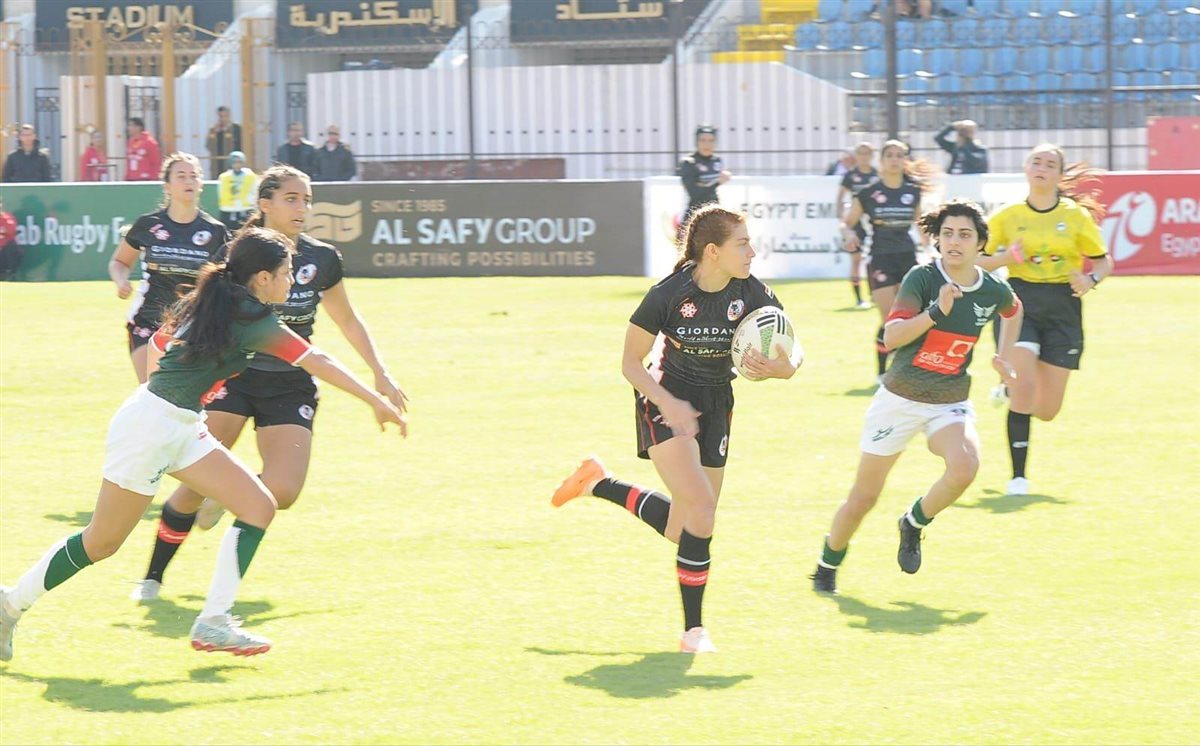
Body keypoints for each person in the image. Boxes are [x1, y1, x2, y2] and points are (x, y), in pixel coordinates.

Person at [0, 228, 408, 662]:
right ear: (263, 278)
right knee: (101, 543)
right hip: (151, 427)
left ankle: (214, 621)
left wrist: (171, 394)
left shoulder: (217, 297)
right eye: (287, 272)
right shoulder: (254, 319)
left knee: (258, 506)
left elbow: (158, 344)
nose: (293, 281)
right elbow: (316, 359)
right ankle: (10, 604)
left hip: (177, 423)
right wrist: (375, 400)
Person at [130, 164, 409, 600]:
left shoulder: (321, 258)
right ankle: (152, 578)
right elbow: (196, 310)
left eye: (307, 200)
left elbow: (347, 320)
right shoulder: (234, 252)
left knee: (284, 490)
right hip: (232, 376)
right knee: (192, 486)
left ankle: (226, 508)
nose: (302, 208)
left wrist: (380, 372)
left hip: (290, 383)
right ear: (265, 203)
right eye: (291, 199)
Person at [550, 204, 797, 654]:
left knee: (686, 526)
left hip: (717, 403)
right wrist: (668, 403)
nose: (752, 252)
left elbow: (790, 347)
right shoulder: (668, 294)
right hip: (665, 398)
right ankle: (693, 633)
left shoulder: (752, 291)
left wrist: (785, 368)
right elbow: (630, 362)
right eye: (742, 244)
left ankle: (598, 483)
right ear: (713, 251)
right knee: (701, 507)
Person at [812, 199, 1022, 594]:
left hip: (949, 401)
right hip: (899, 399)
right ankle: (827, 565)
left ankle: (913, 522)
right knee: (864, 497)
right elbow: (891, 338)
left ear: (981, 244)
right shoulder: (922, 278)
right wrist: (936, 312)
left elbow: (1013, 309)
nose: (954, 242)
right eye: (947, 234)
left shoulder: (992, 287)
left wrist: (1004, 356)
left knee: (965, 467)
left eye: (965, 235)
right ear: (937, 240)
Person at [976, 144, 1109, 496]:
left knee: (1047, 410)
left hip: (1063, 308)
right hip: (1020, 301)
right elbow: (976, 260)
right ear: (1026, 168)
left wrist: (1090, 280)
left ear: (1059, 175)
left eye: (1050, 164)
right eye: (1036, 161)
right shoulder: (1007, 215)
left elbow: (1103, 261)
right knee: (1023, 391)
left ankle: (1009, 387)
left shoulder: (1075, 216)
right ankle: (1018, 478)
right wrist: (1005, 258)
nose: (1042, 168)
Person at [108, 152, 229, 383]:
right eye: (181, 176)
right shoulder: (149, 225)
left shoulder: (216, 232)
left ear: (201, 184)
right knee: (152, 391)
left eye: (194, 176)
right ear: (167, 186)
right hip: (148, 322)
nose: (188, 181)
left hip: (193, 328)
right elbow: (119, 262)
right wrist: (121, 281)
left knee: (183, 396)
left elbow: (226, 281)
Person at [840, 139, 936, 383]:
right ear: (881, 161)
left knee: (911, 318)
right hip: (880, 259)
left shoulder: (913, 192)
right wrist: (849, 235)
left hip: (907, 259)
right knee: (890, 319)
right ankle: (882, 373)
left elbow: (922, 225)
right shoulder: (868, 192)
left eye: (899, 155)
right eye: (889, 155)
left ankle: (908, 368)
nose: (894, 159)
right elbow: (847, 223)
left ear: (905, 160)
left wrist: (931, 247)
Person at [836, 142, 879, 309]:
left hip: (873, 222)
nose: (864, 157)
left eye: (867, 153)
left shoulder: (877, 174)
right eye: (860, 153)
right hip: (856, 223)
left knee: (874, 260)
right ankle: (859, 298)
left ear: (872, 155)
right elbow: (840, 197)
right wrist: (842, 219)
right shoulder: (851, 175)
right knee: (856, 260)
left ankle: (874, 295)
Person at [676, 125, 730, 232]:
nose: (707, 144)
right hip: (694, 215)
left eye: (711, 140)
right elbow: (694, 193)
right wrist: (717, 182)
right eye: (703, 140)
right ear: (697, 142)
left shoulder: (717, 161)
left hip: (714, 213)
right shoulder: (689, 162)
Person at [217, 151, 259, 230]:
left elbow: (255, 192)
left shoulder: (250, 176)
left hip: (246, 210)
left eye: (239, 162)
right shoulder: (224, 177)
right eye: (234, 162)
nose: (237, 165)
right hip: (228, 210)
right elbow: (221, 193)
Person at [205, 106, 243, 177]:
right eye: (221, 116)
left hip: (232, 163)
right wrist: (215, 133)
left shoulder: (236, 128)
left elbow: (241, 145)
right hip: (217, 164)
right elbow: (208, 146)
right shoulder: (213, 129)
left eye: (225, 116)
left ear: (229, 116)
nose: (223, 119)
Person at [0, 200, 19, 280]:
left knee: (12, 247)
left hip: (5, 250)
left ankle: (9, 274)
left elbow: (11, 232)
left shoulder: (7, 218)